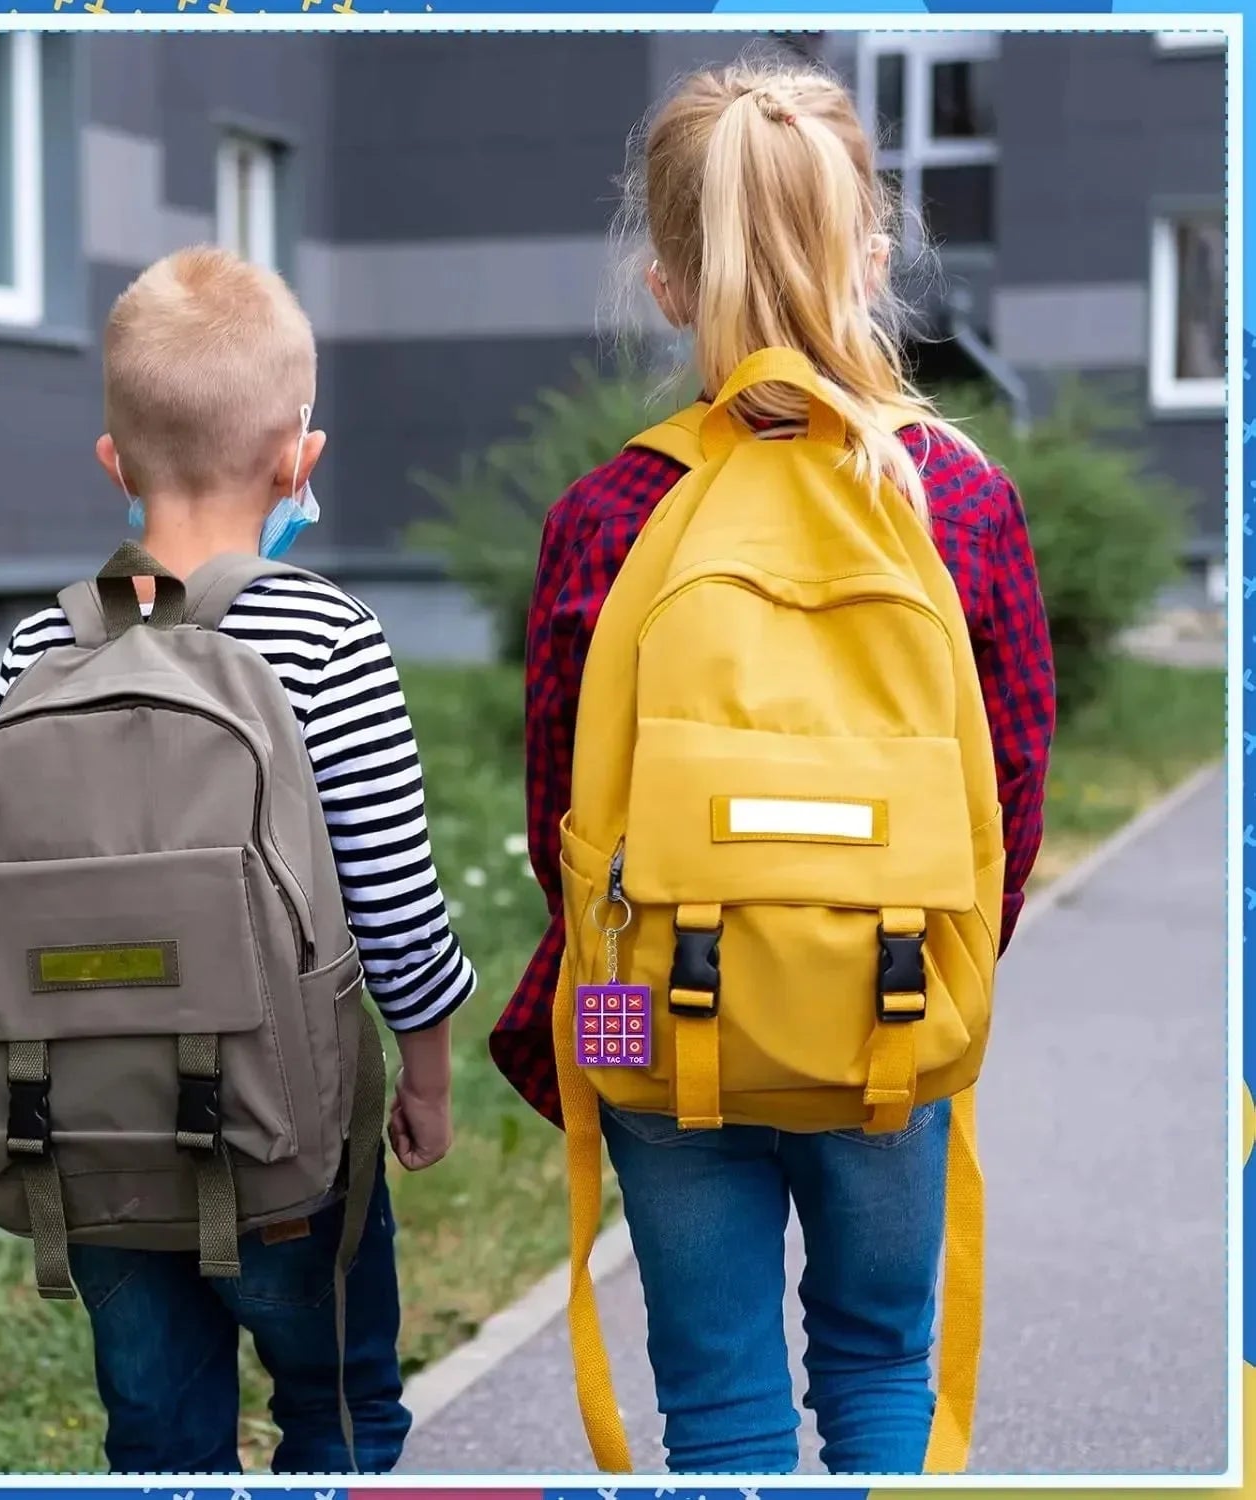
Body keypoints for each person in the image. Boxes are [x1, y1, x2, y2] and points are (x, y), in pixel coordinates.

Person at [492, 59, 1055, 1475]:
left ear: (667, 283)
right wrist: (940, 959)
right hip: (892, 999)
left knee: (720, 1407)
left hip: (658, 1020)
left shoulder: (610, 513)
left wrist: (594, 1018)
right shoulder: (960, 500)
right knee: (879, 1368)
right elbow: (1015, 795)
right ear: (873, 256)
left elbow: (563, 810)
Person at [0, 246, 474, 1475]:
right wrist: (425, 1076)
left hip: (90, 1144)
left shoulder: (36, 648)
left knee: (158, 1436)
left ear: (114, 462)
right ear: (297, 462)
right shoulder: (327, 639)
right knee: (339, 1410)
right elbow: (396, 907)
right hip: (289, 1145)